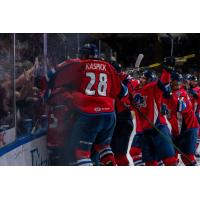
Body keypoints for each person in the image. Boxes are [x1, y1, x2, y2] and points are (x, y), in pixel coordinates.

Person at [44, 44, 129, 166]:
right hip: (109, 116)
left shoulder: (78, 64)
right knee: (104, 147)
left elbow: (50, 76)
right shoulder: (109, 67)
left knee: (81, 153)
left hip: (89, 116)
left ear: (82, 55)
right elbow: (124, 93)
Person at [129, 57, 177, 166]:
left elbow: (163, 82)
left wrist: (167, 70)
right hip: (145, 131)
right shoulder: (136, 90)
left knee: (169, 160)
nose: (141, 80)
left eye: (144, 78)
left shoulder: (153, 87)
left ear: (150, 80)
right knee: (150, 162)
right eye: (141, 77)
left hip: (158, 128)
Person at [162, 72, 199, 165]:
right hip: (176, 130)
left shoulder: (181, 93)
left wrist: (170, 95)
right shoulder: (168, 94)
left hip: (188, 129)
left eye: (178, 82)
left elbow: (180, 107)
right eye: (174, 82)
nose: (176, 84)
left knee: (187, 157)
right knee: (170, 156)